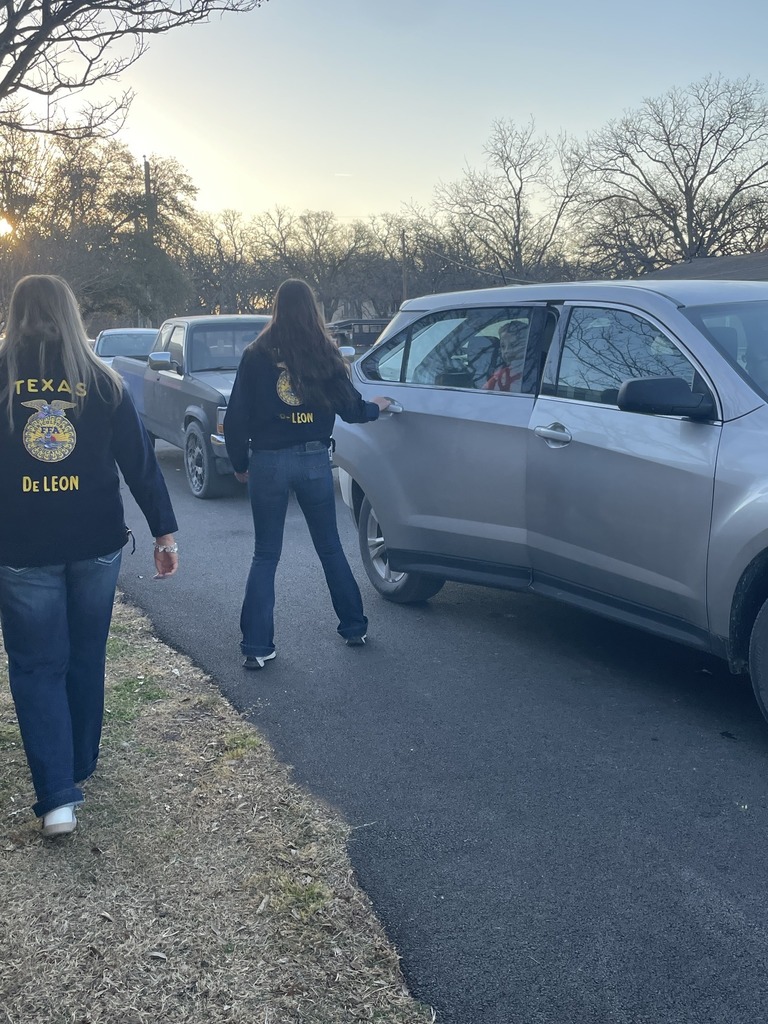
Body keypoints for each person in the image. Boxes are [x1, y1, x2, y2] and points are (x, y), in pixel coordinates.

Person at [0, 275, 179, 838]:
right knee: (85, 655)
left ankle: (58, 797)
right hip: (96, 544)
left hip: (22, 547)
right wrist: (164, 533)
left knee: (37, 666)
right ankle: (79, 763)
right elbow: (140, 463)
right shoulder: (103, 381)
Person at [224, 278, 391, 669]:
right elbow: (351, 409)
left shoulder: (255, 354)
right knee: (330, 547)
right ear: (312, 309)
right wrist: (377, 406)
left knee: (265, 554)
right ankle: (354, 628)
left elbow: (236, 417)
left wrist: (239, 463)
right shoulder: (325, 352)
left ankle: (257, 648)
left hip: (267, 462)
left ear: (277, 308)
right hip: (315, 461)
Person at [483, 321, 529, 392]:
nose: (507, 351)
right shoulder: (498, 377)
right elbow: (484, 393)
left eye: (514, 344)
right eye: (503, 346)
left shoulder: (535, 375)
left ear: (528, 345)